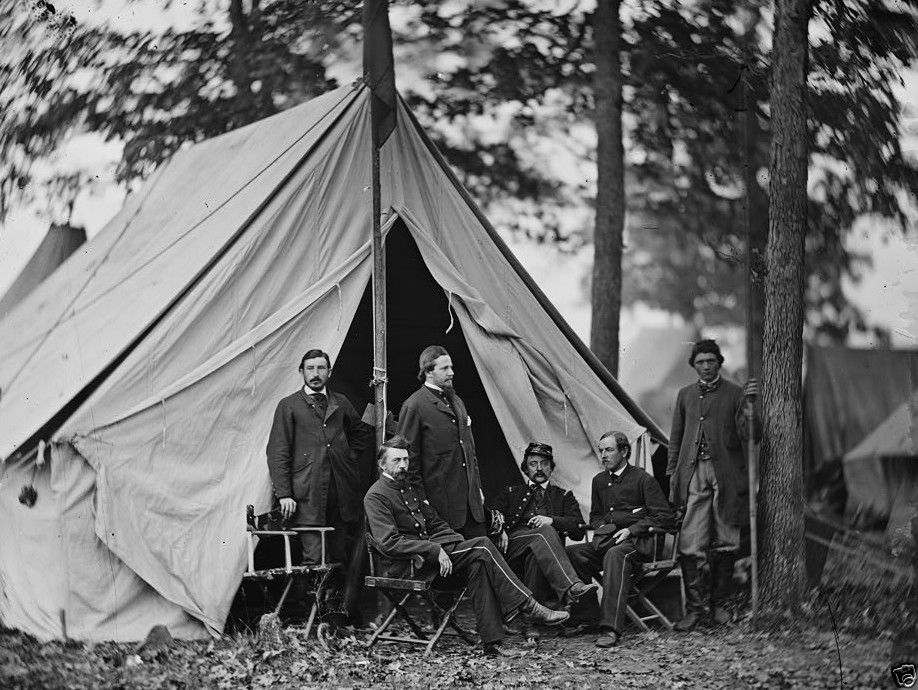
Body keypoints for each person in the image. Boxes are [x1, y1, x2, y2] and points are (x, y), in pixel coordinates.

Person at [365, 435, 570, 656]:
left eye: (406, 459)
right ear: (382, 463)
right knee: (481, 546)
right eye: (397, 460)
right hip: (409, 568)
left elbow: (435, 524)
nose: (404, 465)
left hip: (433, 564)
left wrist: (453, 543)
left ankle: (492, 644)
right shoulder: (376, 496)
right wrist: (434, 549)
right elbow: (389, 543)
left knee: (478, 565)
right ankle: (529, 606)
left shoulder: (410, 489)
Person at [667, 339, 760, 631]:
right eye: (700, 362)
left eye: (711, 361)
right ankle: (695, 609)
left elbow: (752, 435)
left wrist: (751, 407)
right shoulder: (684, 395)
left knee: (726, 539)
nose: (706, 366)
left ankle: (720, 606)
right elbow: (676, 439)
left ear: (719, 362)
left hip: (728, 476)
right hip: (693, 474)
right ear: (693, 366)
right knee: (690, 542)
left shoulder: (735, 393)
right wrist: (673, 473)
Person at [566, 431, 674, 647]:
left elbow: (664, 517)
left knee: (616, 555)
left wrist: (632, 529)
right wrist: (602, 529)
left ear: (624, 451)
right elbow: (595, 516)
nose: (603, 455)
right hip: (608, 541)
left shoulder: (643, 479)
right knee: (573, 553)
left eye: (609, 450)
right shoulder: (599, 481)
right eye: (601, 450)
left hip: (639, 544)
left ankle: (610, 628)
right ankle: (587, 617)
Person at [265, 349, 374, 566]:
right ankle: (314, 601)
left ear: (329, 372)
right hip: (307, 494)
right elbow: (277, 451)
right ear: (301, 372)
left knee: (339, 556)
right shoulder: (289, 405)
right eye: (310, 368)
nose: (316, 373)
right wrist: (285, 493)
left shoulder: (340, 402)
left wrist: (346, 455)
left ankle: (333, 601)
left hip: (340, 494)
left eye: (321, 368)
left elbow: (360, 433)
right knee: (314, 559)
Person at [489, 442, 597, 607]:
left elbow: (578, 530)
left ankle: (532, 621)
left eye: (544, 464)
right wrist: (500, 529)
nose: (539, 468)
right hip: (513, 547)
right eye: (533, 464)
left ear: (551, 468)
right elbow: (491, 515)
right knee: (543, 532)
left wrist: (553, 520)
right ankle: (572, 586)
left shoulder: (564, 496)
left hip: (545, 553)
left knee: (536, 555)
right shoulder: (511, 493)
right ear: (526, 468)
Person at [397, 345, 486, 538]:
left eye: (451, 367)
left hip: (472, 508)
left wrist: (477, 488)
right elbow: (406, 463)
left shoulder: (457, 402)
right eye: (444, 368)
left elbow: (470, 452)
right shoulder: (414, 406)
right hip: (443, 510)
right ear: (428, 372)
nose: (452, 373)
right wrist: (422, 503)